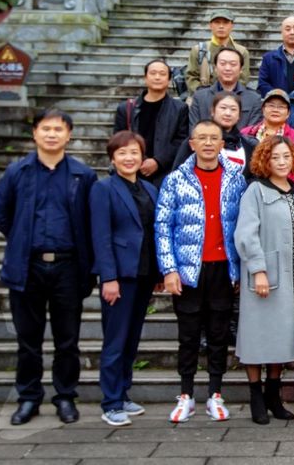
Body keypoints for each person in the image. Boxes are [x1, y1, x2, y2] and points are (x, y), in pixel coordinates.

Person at [0, 109, 97, 426]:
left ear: (69, 135)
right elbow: (3, 215)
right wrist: (24, 240)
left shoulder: (83, 175)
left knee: (68, 339)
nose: (52, 134)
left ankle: (65, 396)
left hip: (67, 266)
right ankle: (28, 397)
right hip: (27, 266)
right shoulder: (17, 172)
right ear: (35, 133)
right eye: (46, 128)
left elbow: (90, 221)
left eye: (58, 129)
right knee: (28, 339)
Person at [156, 120, 246, 423]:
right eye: (202, 138)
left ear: (223, 144)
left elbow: (243, 226)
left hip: (223, 269)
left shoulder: (235, 178)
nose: (208, 143)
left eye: (214, 138)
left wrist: (240, 269)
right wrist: (169, 269)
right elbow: (163, 227)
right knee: (189, 335)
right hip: (188, 269)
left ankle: (215, 394)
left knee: (219, 334)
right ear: (191, 144)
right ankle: (186, 395)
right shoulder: (175, 180)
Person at [235, 135, 294, 424]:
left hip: (291, 278)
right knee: (257, 337)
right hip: (264, 276)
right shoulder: (255, 190)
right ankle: (255, 395)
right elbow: (246, 233)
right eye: (275, 157)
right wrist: (258, 270)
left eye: (286, 156)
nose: (281, 162)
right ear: (265, 160)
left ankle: (272, 395)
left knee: (280, 338)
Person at [90, 131, 162, 427]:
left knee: (131, 338)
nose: (129, 158)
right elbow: (101, 236)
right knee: (116, 339)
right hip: (119, 276)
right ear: (112, 158)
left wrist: (158, 272)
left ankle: (124, 392)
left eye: (134, 152)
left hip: (144, 273)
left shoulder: (149, 188)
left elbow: (153, 231)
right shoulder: (103, 189)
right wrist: (108, 277)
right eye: (122, 153)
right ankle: (110, 401)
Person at [113, 59, 188, 186]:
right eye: (153, 73)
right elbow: (118, 140)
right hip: (132, 171)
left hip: (165, 174)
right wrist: (140, 160)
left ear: (169, 80)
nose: (157, 77)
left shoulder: (180, 109)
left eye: (162, 74)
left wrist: (158, 162)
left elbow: (181, 141)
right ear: (145, 78)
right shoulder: (126, 108)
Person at [240, 88, 294, 191]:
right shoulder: (246, 133)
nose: (275, 110)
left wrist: (292, 195)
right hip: (249, 190)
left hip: (282, 191)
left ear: (288, 113)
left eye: (281, 107)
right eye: (271, 105)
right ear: (263, 109)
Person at [176, 91, 257, 171]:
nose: (228, 113)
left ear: (239, 115)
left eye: (233, 109)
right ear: (212, 111)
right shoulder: (196, 141)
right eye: (223, 108)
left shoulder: (247, 146)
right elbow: (178, 173)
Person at [188, 47, 262, 129]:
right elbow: (193, 131)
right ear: (215, 68)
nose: (227, 68)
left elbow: (252, 133)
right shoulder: (200, 97)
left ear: (241, 69)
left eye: (233, 64)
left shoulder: (254, 99)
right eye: (223, 64)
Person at [184, 8, 250, 96]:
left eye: (225, 23)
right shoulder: (198, 50)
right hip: (203, 98)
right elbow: (191, 77)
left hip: (232, 99)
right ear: (210, 25)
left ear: (231, 26)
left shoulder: (241, 51)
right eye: (217, 22)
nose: (221, 26)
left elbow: (243, 79)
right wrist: (205, 95)